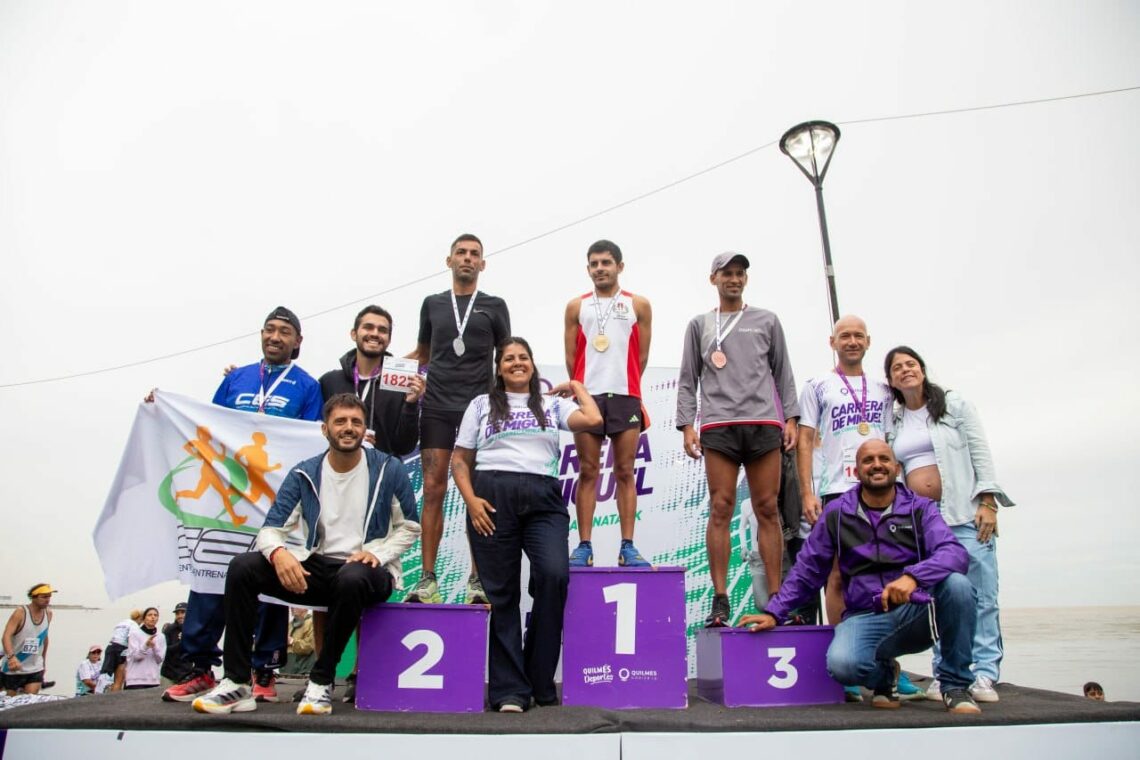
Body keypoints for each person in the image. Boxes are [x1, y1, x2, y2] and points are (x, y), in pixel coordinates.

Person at [190, 393, 420, 717]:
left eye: (356, 422)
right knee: (242, 568)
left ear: (365, 428)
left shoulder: (387, 468)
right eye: (340, 421)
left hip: (368, 571)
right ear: (325, 429)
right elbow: (271, 528)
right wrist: (279, 553)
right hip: (318, 567)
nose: (349, 428)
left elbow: (410, 526)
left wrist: (377, 553)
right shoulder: (305, 472)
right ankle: (237, 682)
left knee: (352, 577)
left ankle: (322, 680)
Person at [739, 440, 983, 714]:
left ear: (896, 468)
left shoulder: (920, 508)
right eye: (868, 460)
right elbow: (807, 570)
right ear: (856, 471)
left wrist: (913, 577)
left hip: (915, 613)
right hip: (864, 615)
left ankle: (955, 685)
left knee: (958, 586)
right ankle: (884, 676)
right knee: (842, 665)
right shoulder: (837, 513)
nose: (877, 465)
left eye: (884, 459)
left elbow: (954, 553)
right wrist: (774, 612)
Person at [161, 306, 323, 704]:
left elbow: (311, 440)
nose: (275, 336)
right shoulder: (236, 379)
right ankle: (199, 669)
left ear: (297, 342)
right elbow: (208, 425)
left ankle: (262, 671)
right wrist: (162, 406)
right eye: (270, 329)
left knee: (271, 585)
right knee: (212, 577)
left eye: (285, 331)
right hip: (228, 500)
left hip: (275, 503)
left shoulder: (307, 385)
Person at [451, 337, 602, 712]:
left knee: (554, 576)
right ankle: (509, 691)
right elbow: (459, 460)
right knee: (503, 596)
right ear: (499, 368)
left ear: (533, 364)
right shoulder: (481, 404)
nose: (516, 363)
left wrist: (578, 387)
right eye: (508, 359)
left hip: (543, 499)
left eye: (523, 357)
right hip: (491, 497)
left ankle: (538, 678)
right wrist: (471, 502)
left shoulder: (552, 405)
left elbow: (594, 419)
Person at [794, 316, 921, 701]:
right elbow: (805, 440)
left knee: (890, 573)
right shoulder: (817, 385)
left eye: (858, 336)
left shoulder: (885, 388)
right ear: (832, 341)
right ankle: (846, 666)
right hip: (836, 489)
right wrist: (807, 492)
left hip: (884, 489)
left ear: (868, 342)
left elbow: (904, 433)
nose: (851, 341)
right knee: (837, 576)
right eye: (844, 336)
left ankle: (886, 663)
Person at [676, 252, 799, 627]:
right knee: (721, 507)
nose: (734, 279)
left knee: (766, 508)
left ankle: (776, 601)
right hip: (719, 426)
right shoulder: (699, 325)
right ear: (713, 279)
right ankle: (720, 599)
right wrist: (686, 425)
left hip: (763, 423)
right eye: (726, 273)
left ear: (746, 279)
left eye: (739, 273)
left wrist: (791, 418)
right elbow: (688, 378)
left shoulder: (766, 320)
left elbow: (783, 372)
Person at [884, 346, 1013, 704]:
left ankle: (984, 674)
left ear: (922, 370)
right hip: (925, 522)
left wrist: (988, 501)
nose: (905, 370)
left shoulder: (954, 406)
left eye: (910, 364)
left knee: (981, 593)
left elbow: (979, 450)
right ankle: (946, 673)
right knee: (942, 597)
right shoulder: (893, 421)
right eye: (897, 368)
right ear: (891, 380)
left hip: (963, 513)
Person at [405, 234, 511, 605]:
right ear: (448, 260)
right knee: (434, 490)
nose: (467, 259)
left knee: (477, 494)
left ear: (483, 264)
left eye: (475, 255)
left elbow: (506, 356)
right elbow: (422, 353)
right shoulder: (432, 304)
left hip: (479, 410)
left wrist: (510, 399)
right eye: (461, 253)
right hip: (436, 405)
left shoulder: (495, 306)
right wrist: (380, 372)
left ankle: (477, 579)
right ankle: (427, 579)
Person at [563, 240, 653, 568]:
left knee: (625, 471)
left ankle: (627, 546)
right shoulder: (576, 306)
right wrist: (583, 391)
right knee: (587, 472)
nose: (600, 268)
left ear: (619, 266)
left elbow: (640, 356)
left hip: (626, 395)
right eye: (594, 264)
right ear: (588, 269)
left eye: (606, 262)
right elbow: (572, 358)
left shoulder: (638, 305)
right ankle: (584, 546)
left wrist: (624, 383)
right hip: (589, 397)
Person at [319, 304, 425, 456]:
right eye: (368, 327)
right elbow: (315, 432)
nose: (375, 333)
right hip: (338, 471)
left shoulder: (402, 383)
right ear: (354, 334)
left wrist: (411, 404)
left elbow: (404, 447)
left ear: (389, 339)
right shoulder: (329, 381)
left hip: (383, 473)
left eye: (382, 330)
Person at [2, 583, 54, 696]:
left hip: (35, 668)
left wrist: (43, 662)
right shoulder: (20, 612)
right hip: (14, 668)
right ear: (33, 597)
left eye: (49, 596)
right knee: (11, 706)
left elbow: (44, 638)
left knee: (29, 704)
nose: (48, 600)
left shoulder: (48, 613)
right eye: (44, 597)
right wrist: (11, 658)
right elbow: (6, 636)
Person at [125, 607, 166, 690]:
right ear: (144, 618)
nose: (153, 617)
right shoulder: (134, 633)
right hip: (135, 680)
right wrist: (146, 646)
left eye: (155, 615)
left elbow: (160, 659)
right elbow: (136, 657)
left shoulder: (161, 636)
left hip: (153, 680)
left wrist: (154, 647)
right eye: (150, 615)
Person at [160, 602, 191, 686]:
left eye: (183, 612)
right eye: (177, 613)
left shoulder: (193, 629)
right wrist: (181, 643)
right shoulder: (169, 629)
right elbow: (164, 650)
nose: (180, 616)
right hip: (169, 675)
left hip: (186, 674)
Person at [283, 608, 316, 676]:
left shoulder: (312, 623)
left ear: (305, 608)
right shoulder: (290, 624)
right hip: (287, 668)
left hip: (302, 669)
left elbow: (309, 646)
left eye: (296, 605)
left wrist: (291, 641)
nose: (292, 607)